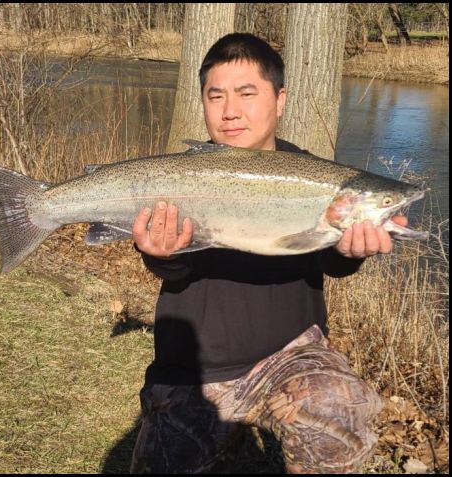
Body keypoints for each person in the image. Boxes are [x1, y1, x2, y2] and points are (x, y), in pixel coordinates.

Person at [130, 33, 407, 474]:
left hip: (292, 356)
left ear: (280, 100)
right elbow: (174, 268)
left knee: (337, 413)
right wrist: (161, 255)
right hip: (194, 370)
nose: (229, 110)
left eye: (246, 93)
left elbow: (329, 260)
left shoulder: (315, 176)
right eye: (215, 95)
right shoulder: (178, 176)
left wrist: (351, 252)